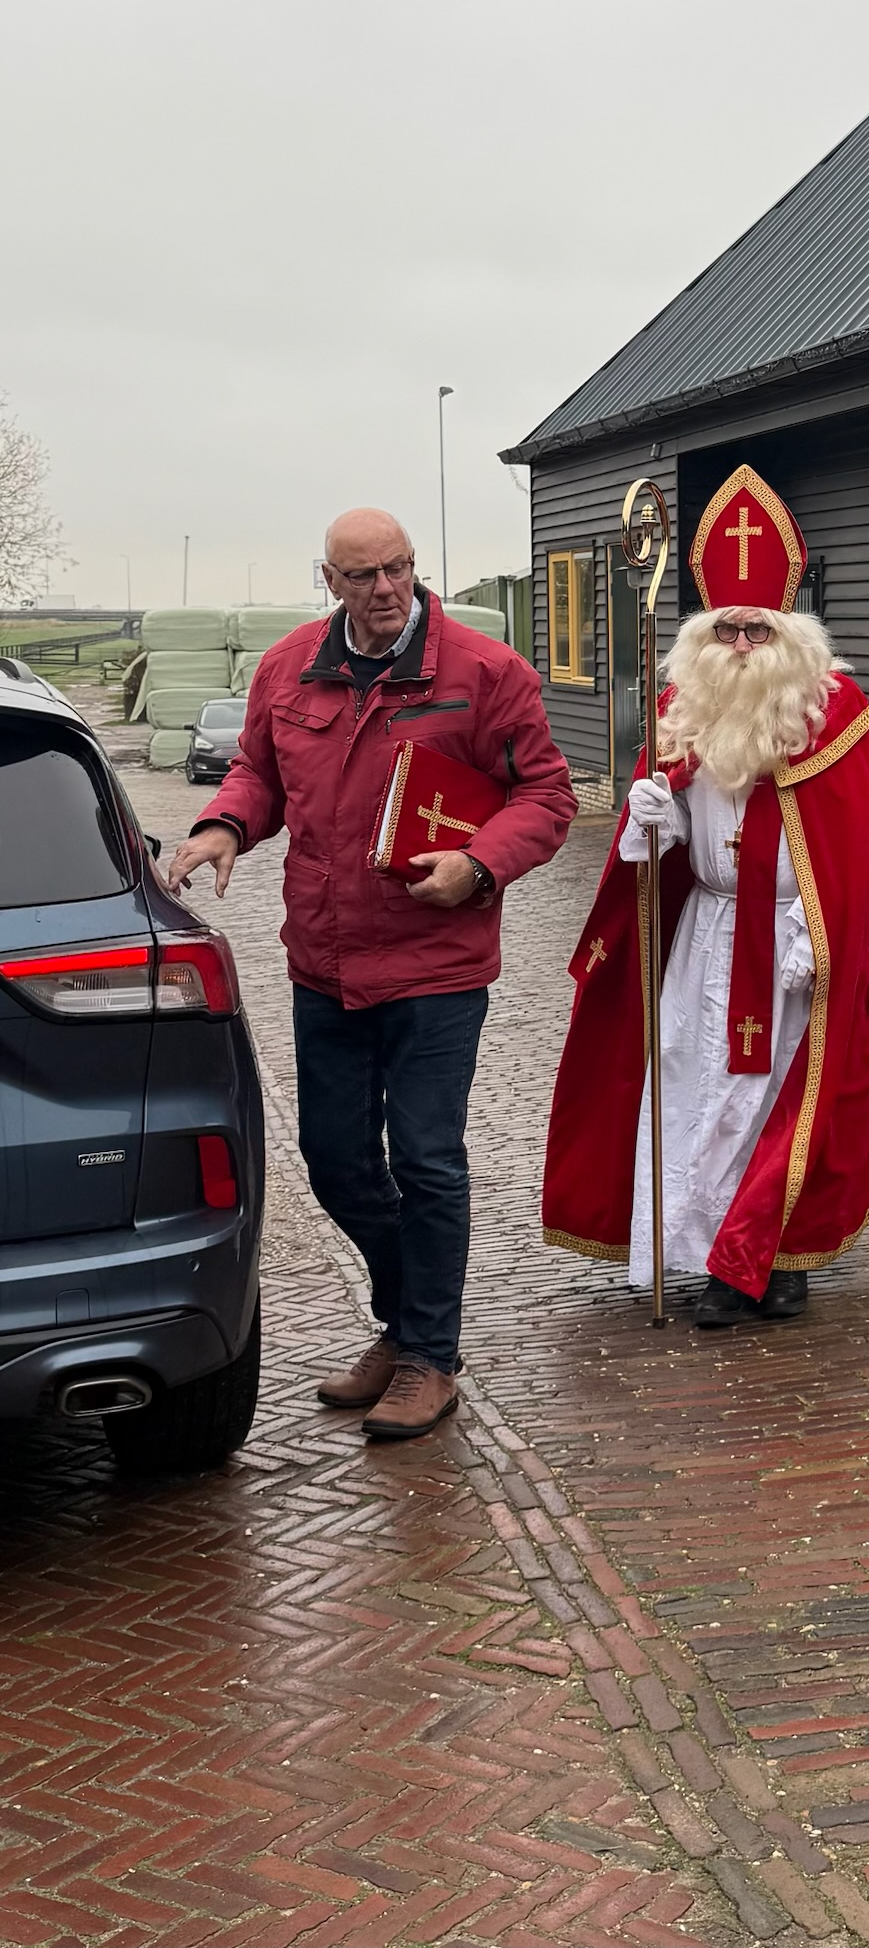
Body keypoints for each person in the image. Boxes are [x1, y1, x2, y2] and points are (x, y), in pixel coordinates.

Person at [168, 509, 576, 1436]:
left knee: (426, 1160)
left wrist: (479, 864)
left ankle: (428, 1354)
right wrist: (225, 825)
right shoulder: (288, 669)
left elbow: (547, 794)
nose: (386, 589)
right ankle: (405, 1323)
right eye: (363, 576)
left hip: (437, 965)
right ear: (330, 580)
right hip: (324, 963)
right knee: (337, 1163)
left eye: (399, 568)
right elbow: (259, 774)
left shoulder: (485, 673)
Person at [542, 463, 869, 1328]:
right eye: (727, 629)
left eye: (757, 629)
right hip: (703, 934)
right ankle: (697, 1250)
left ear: (790, 632)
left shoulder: (836, 715)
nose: (741, 645)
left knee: (775, 1098)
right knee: (692, 1086)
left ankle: (770, 1260)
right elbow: (658, 852)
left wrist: (815, 934)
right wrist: (649, 820)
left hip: (788, 942)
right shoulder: (684, 709)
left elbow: (862, 847)